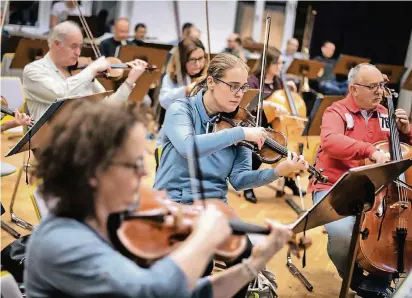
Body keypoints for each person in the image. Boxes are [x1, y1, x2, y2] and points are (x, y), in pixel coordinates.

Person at [24, 99, 294, 298]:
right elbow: (153, 291)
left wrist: (251, 266)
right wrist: (204, 238)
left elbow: (182, 293)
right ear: (95, 171)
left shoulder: (111, 221)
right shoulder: (62, 241)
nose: (144, 174)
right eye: (133, 164)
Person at [154, 53, 308, 298]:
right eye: (233, 86)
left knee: (245, 254)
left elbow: (239, 180)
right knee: (200, 263)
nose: (239, 94)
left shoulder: (239, 123)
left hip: (215, 209)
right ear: (212, 82)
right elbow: (187, 147)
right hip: (175, 205)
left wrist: (277, 172)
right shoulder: (181, 110)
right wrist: (239, 135)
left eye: (243, 87)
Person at [310, 63, 412, 298]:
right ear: (354, 89)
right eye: (373, 86)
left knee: (392, 231)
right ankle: (357, 280)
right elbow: (330, 141)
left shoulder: (386, 115)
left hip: (378, 192)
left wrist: (406, 131)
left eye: (382, 86)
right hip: (336, 186)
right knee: (342, 234)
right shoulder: (335, 112)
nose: (379, 91)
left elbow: (402, 151)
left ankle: (380, 276)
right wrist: (368, 150)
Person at [22, 21, 147, 121]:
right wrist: (91, 69)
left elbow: (108, 107)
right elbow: (61, 93)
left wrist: (130, 81)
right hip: (48, 146)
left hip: (78, 142)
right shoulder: (33, 71)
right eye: (73, 46)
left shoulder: (82, 74)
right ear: (56, 44)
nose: (78, 53)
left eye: (80, 47)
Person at [245, 49, 304, 203]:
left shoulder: (279, 82)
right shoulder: (253, 81)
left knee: (288, 151)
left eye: (280, 63)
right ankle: (247, 185)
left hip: (276, 126)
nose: (280, 66)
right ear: (268, 64)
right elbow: (249, 103)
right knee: (257, 156)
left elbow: (283, 101)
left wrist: (288, 91)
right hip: (258, 125)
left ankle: (290, 181)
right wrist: (269, 103)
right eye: (277, 63)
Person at [156, 37, 207, 146]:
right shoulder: (171, 77)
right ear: (182, 60)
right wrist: (185, 90)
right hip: (174, 136)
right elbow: (164, 101)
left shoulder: (208, 78)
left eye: (201, 58)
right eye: (193, 60)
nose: (198, 64)